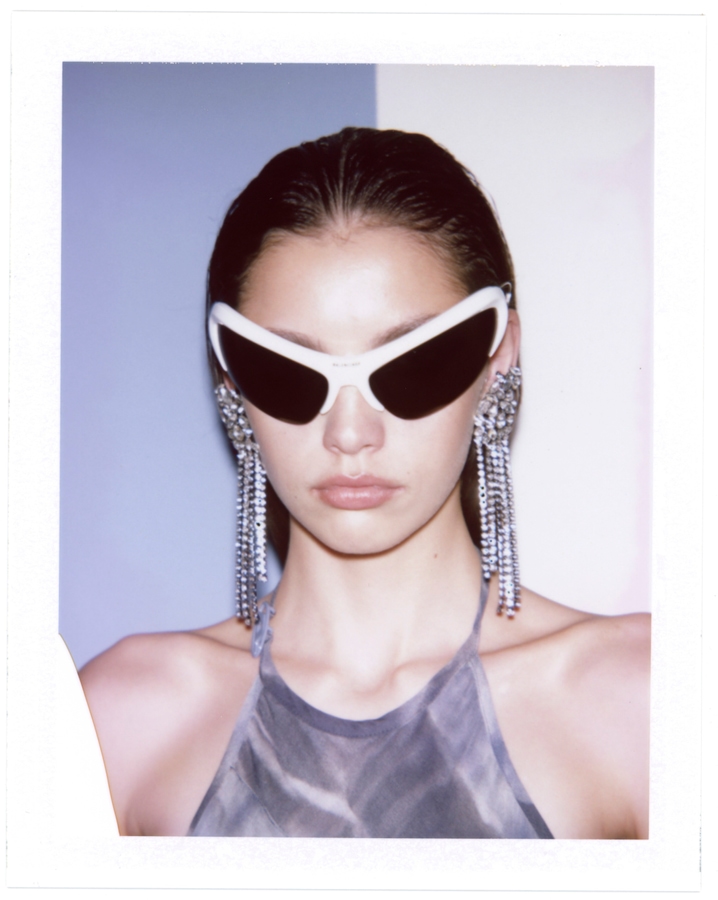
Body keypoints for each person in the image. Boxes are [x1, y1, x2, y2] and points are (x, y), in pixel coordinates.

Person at [80, 127, 650, 839]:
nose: (350, 433)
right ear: (231, 380)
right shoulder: (118, 723)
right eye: (288, 371)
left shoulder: (642, 700)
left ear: (498, 358)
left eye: (414, 365)